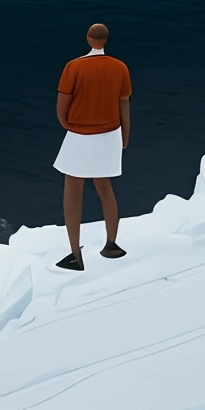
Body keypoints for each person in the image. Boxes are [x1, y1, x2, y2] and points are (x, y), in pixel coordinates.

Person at [53, 22, 131, 271]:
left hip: (79, 134)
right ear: (106, 40)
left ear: (88, 39)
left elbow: (62, 104)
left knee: (73, 192)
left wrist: (68, 124)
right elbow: (124, 106)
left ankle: (75, 255)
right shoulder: (120, 67)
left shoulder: (74, 66)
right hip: (110, 134)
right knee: (105, 188)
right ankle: (111, 244)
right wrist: (125, 137)